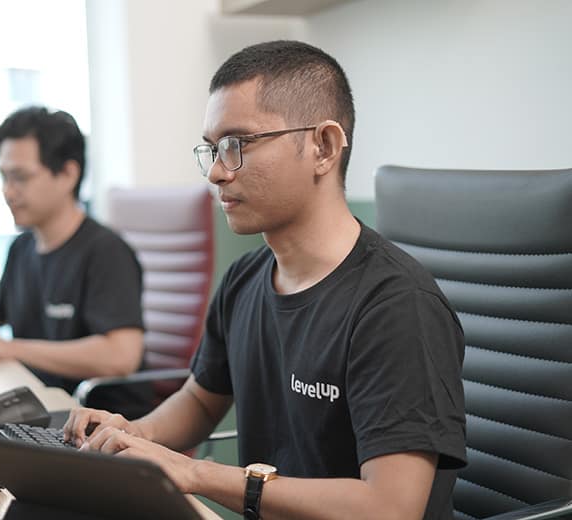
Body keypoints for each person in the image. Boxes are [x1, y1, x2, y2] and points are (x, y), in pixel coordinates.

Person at [63, 41, 467, 519]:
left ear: (324, 147)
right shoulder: (245, 279)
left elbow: (389, 509)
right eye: (212, 149)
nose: (216, 172)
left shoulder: (397, 306)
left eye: (237, 146)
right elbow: (199, 398)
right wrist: (135, 435)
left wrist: (194, 473)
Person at [0, 106, 153, 418]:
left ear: (67, 174)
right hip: (45, 410)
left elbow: (120, 356)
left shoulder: (106, 251)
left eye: (20, 177)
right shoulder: (23, 247)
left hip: (105, 425)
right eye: (4, 177)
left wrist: (10, 347)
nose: (8, 191)